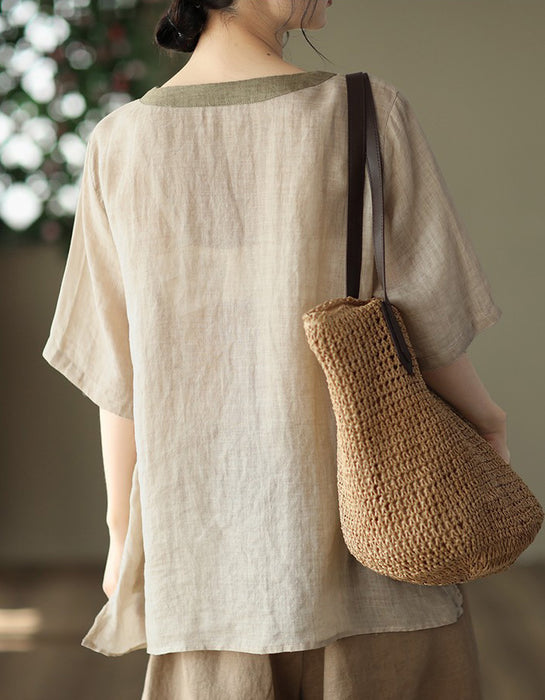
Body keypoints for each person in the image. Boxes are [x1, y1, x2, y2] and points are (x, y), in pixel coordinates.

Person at [41, 0, 508, 698]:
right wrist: (488, 422)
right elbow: (427, 320)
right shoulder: (365, 113)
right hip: (376, 539)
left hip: (205, 562)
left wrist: (121, 531)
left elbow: (120, 367)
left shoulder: (121, 141)